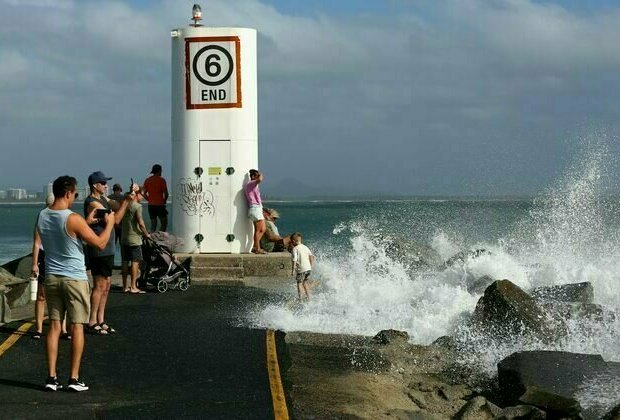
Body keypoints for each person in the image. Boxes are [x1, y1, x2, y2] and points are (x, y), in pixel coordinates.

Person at [31, 175, 115, 392]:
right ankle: (74, 378)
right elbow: (100, 243)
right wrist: (110, 224)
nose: (75, 198)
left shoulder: (42, 216)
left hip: (52, 277)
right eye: (75, 194)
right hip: (74, 279)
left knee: (55, 326)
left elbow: (63, 234)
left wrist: (85, 223)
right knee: (77, 326)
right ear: (68, 193)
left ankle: (51, 377)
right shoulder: (73, 218)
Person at [84, 171, 132, 335]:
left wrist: (127, 197)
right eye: (103, 183)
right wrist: (126, 201)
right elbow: (115, 220)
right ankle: (91, 321)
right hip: (99, 249)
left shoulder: (104, 199)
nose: (106, 185)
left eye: (106, 183)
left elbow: (117, 206)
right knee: (99, 285)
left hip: (108, 248)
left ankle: (101, 319)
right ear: (94, 185)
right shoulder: (93, 203)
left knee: (107, 285)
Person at [32, 194, 70, 341]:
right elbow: (36, 243)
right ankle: (39, 329)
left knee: (61, 295)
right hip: (44, 256)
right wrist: (35, 264)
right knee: (41, 296)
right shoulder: (42, 218)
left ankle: (63, 329)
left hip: (58, 257)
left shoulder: (64, 217)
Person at [121, 185, 150, 293]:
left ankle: (124, 286)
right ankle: (133, 286)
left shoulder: (125, 203)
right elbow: (140, 222)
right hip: (134, 239)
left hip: (124, 237)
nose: (143, 197)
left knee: (124, 261)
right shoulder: (137, 206)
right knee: (135, 261)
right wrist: (146, 234)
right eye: (142, 195)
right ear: (138, 194)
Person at [244, 169, 266, 254]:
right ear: (253, 177)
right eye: (256, 176)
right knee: (259, 230)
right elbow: (260, 179)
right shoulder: (251, 184)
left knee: (262, 229)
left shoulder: (250, 185)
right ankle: (257, 248)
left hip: (256, 208)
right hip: (255, 208)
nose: (258, 177)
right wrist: (260, 174)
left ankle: (255, 246)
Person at [143, 164, 169, 232]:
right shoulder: (161, 180)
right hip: (160, 205)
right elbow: (166, 193)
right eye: (161, 171)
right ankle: (160, 238)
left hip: (151, 205)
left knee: (153, 225)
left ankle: (151, 239)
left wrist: (149, 199)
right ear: (159, 171)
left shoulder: (147, 180)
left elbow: (143, 193)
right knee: (164, 223)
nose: (161, 172)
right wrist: (164, 200)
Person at [290, 232, 315, 301]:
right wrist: (311, 266)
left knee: (299, 283)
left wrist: (293, 270)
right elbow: (311, 256)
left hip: (302, 269)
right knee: (305, 283)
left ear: (293, 241)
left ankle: (300, 298)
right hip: (308, 269)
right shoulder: (305, 247)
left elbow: (294, 259)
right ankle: (309, 298)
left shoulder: (295, 249)